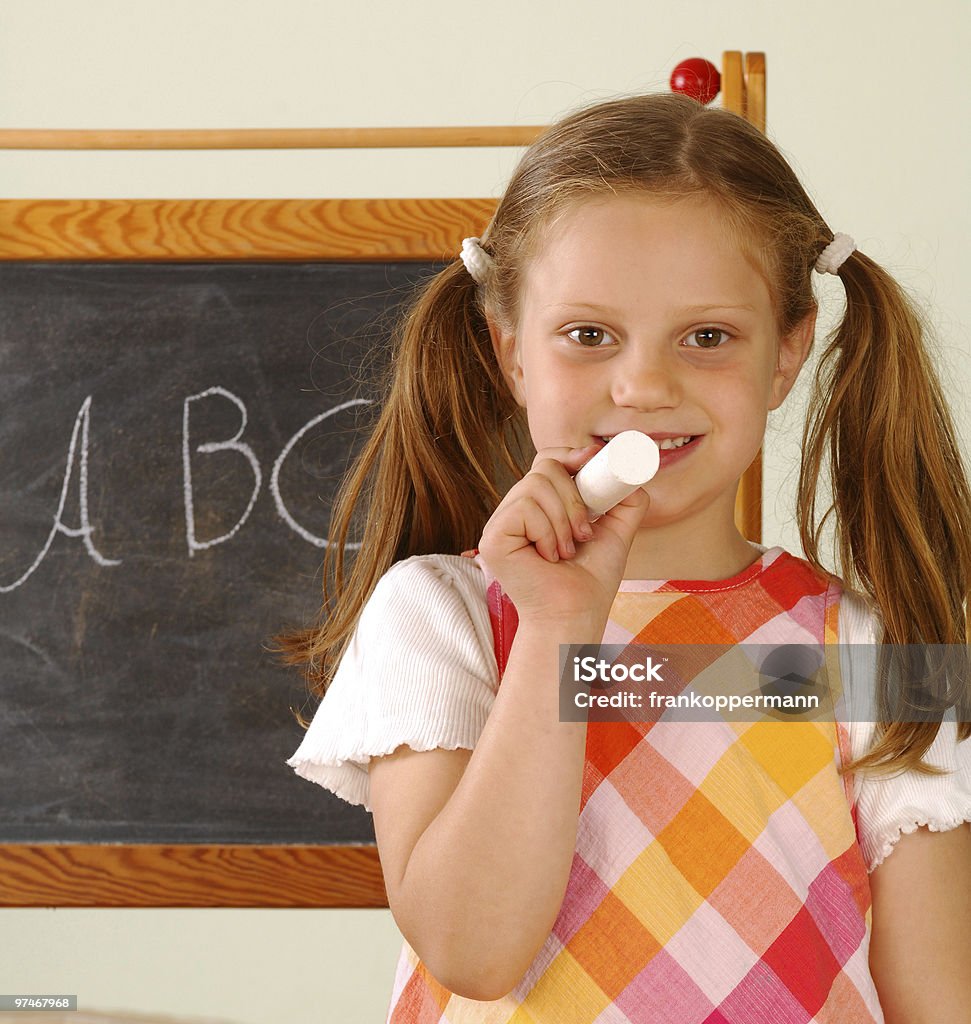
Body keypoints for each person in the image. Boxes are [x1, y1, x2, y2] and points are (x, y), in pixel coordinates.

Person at [275, 91, 971, 1022]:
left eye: (708, 337)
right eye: (589, 335)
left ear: (786, 354)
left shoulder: (869, 653)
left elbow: (937, 997)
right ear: (511, 349)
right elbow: (474, 951)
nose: (643, 385)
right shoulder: (439, 617)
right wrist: (561, 622)